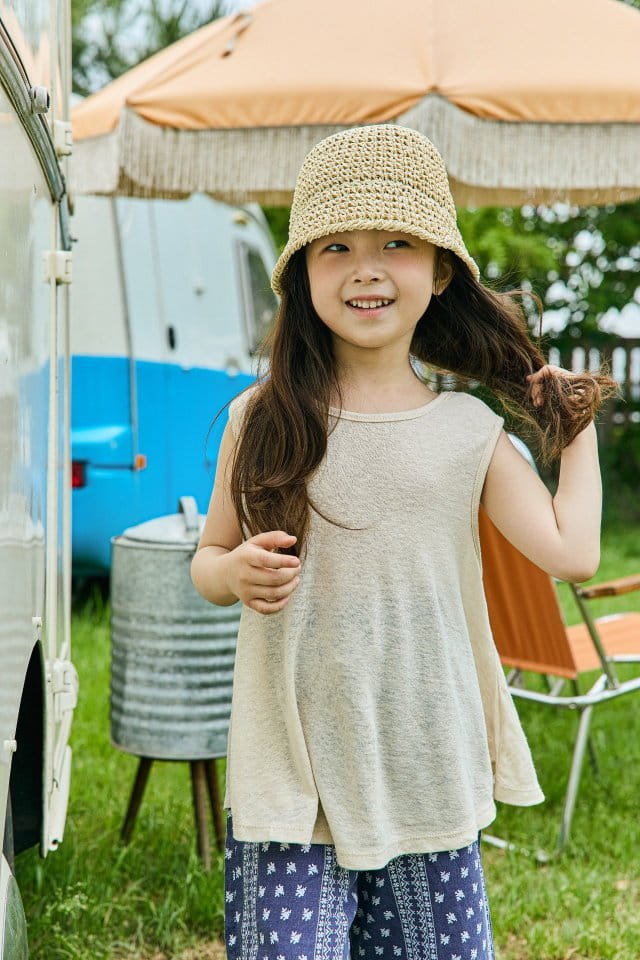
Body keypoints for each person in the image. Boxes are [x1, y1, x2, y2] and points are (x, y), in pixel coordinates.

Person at [191, 125, 617, 960]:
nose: (367, 267)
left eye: (397, 241)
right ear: (301, 273)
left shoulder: (467, 430)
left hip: (427, 774)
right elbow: (207, 561)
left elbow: (574, 552)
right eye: (336, 246)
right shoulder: (262, 418)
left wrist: (576, 431)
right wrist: (232, 572)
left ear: (443, 268)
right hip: (292, 777)